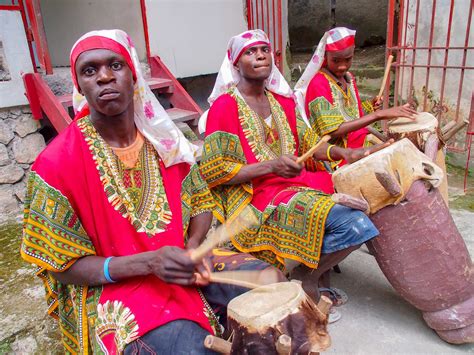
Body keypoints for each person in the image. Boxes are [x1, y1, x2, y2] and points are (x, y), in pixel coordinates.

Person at [20, 29, 284, 354]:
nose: (104, 77)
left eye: (115, 66)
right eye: (90, 70)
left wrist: (192, 249)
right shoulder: (55, 164)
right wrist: (148, 264)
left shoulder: (165, 144)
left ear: (133, 75)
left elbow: (200, 202)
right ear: (79, 85)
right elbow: (60, 266)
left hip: (179, 264)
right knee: (192, 349)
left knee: (272, 286)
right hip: (113, 287)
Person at [199, 30, 385, 313]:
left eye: (264, 49)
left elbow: (312, 145)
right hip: (255, 196)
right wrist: (271, 166)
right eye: (250, 52)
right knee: (354, 223)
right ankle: (310, 279)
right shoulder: (224, 107)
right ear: (235, 64)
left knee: (363, 197)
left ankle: (311, 272)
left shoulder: (283, 102)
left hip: (299, 183)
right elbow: (215, 171)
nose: (260, 55)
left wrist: (344, 153)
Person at [294, 27, 417, 176]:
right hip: (338, 154)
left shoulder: (349, 78)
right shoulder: (318, 83)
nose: (342, 66)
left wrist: (370, 107)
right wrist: (379, 115)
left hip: (360, 139)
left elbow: (353, 115)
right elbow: (334, 130)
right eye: (336, 60)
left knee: (404, 157)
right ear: (325, 56)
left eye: (348, 59)